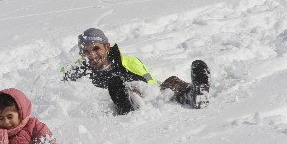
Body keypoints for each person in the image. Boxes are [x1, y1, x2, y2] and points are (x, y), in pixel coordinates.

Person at [62, 28, 210, 114]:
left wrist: (143, 91)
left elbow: (151, 84)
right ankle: (126, 106)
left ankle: (194, 95)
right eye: (86, 51)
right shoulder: (79, 73)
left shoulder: (128, 62)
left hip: (143, 95)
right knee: (116, 84)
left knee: (171, 80)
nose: (92, 55)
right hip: (116, 103)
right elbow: (65, 95)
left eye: (96, 49)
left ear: (107, 47)